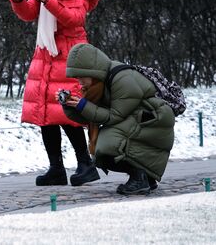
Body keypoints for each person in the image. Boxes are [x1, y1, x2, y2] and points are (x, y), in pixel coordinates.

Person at [9, 0, 103, 186]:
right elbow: (29, 14)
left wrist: (46, 0)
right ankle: (56, 169)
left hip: (71, 56)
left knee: (67, 111)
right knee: (45, 114)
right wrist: (18, 0)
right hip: (46, 54)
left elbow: (74, 19)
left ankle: (86, 164)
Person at [60, 43, 175, 195]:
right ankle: (145, 177)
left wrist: (83, 105)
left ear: (92, 71)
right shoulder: (98, 83)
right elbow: (89, 117)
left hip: (154, 121)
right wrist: (70, 105)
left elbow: (114, 116)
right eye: (76, 77)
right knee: (103, 150)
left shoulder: (121, 79)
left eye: (81, 76)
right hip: (140, 120)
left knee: (107, 146)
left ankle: (139, 177)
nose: (79, 81)